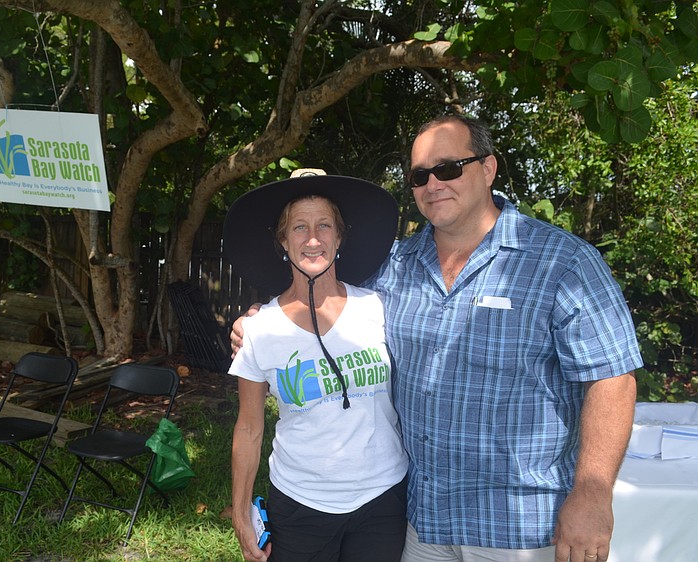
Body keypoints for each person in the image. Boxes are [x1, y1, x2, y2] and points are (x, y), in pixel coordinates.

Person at [232, 116, 643, 562]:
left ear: (488, 168)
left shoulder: (563, 263)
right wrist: (258, 321)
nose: (433, 184)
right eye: (419, 175)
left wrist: (593, 493)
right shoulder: (396, 267)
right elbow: (320, 298)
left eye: (448, 168)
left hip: (519, 524)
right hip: (423, 522)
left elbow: (612, 378)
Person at [225, 169, 409, 562]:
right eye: (299, 227)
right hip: (298, 502)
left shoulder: (377, 307)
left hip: (382, 498)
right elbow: (249, 426)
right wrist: (241, 511)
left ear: (340, 237)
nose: (313, 239)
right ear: (282, 240)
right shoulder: (260, 328)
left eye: (324, 225)